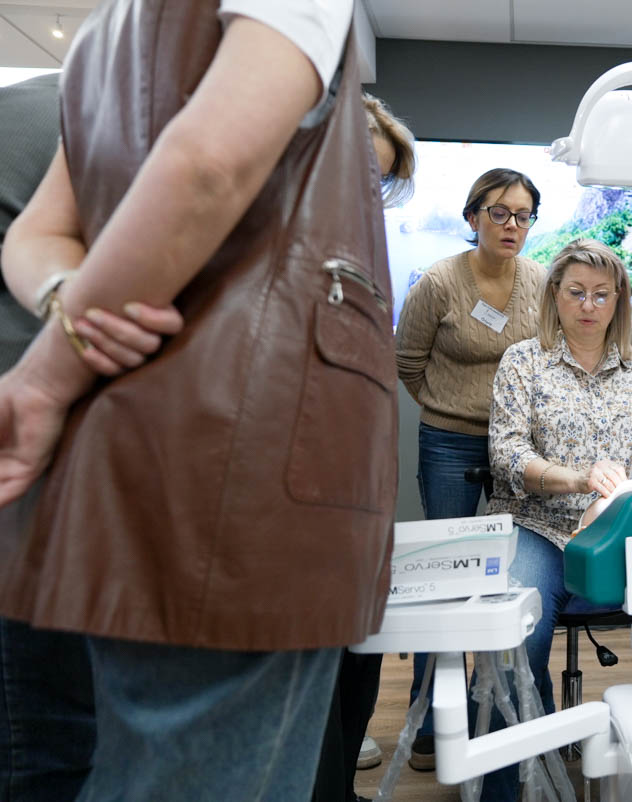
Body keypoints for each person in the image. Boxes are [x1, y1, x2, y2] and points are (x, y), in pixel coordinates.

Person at [0, 3, 396, 799]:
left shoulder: (103, 40)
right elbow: (208, 166)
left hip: (113, 450)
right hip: (243, 454)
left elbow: (36, 236)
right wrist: (47, 375)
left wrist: (74, 306)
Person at [482, 238, 632, 800]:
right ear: (554, 296)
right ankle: (505, 787)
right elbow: (506, 454)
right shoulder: (523, 362)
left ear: (620, 301)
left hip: (625, 535)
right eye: (576, 292)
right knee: (514, 633)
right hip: (540, 528)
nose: (589, 305)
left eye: (602, 295)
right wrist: (577, 477)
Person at [393, 167, 545, 770]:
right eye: (499, 213)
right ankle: (429, 722)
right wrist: (449, 407)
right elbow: (409, 361)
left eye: (523, 216)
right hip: (450, 443)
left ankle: (503, 718)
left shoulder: (540, 280)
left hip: (521, 446)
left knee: (518, 574)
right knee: (445, 581)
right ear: (473, 216)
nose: (511, 225)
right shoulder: (439, 281)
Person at [313, 92, 417, 802]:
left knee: (362, 651)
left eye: (378, 180)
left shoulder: (360, 255)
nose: (368, 193)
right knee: (318, 665)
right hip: (302, 500)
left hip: (358, 493)